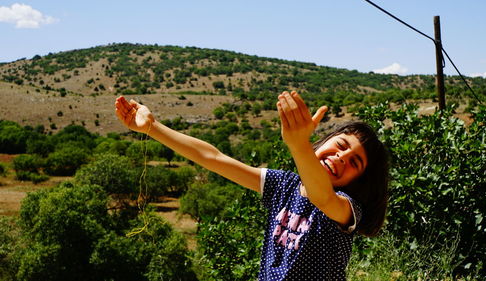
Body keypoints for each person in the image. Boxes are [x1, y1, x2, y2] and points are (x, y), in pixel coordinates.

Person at [115, 90, 389, 280]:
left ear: (356, 181)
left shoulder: (347, 208)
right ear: (324, 142)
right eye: (340, 146)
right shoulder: (283, 185)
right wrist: (152, 127)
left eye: (354, 163)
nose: (341, 157)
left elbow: (323, 199)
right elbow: (213, 157)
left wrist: (298, 144)